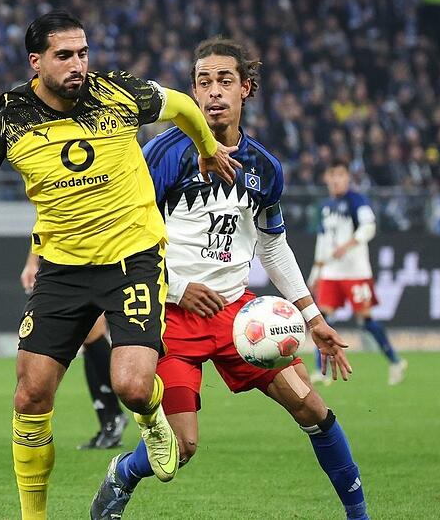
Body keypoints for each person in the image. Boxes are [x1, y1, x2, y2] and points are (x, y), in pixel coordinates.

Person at [0, 10, 239, 519]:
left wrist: (208, 147)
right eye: (65, 56)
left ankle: (151, 419)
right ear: (36, 62)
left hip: (133, 258)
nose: (78, 64)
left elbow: (182, 107)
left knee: (131, 384)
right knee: (30, 396)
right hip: (62, 269)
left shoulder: (120, 93)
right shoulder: (7, 122)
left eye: (83, 53)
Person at [91, 37, 368, 520]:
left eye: (224, 81)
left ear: (246, 88)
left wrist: (312, 315)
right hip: (171, 316)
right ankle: (123, 474)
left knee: (313, 410)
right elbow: (126, 237)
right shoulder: (163, 154)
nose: (213, 92)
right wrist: (178, 288)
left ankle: (359, 515)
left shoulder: (265, 167)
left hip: (238, 316)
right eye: (203, 82)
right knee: (180, 448)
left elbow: (272, 243)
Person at [308, 161, 407, 386]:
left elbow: (369, 226)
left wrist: (349, 244)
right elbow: (322, 242)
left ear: (347, 178)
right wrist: (316, 273)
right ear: (326, 179)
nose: (336, 180)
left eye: (340, 175)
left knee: (365, 321)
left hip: (355, 272)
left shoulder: (357, 201)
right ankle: (320, 371)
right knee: (322, 320)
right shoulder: (325, 207)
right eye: (332, 175)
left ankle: (395, 361)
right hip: (331, 273)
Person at [20, 252, 127, 449]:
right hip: (68, 257)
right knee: (90, 336)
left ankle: (114, 415)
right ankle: (110, 418)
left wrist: (32, 262)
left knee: (92, 333)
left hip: (102, 255)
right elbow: (43, 221)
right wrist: (32, 262)